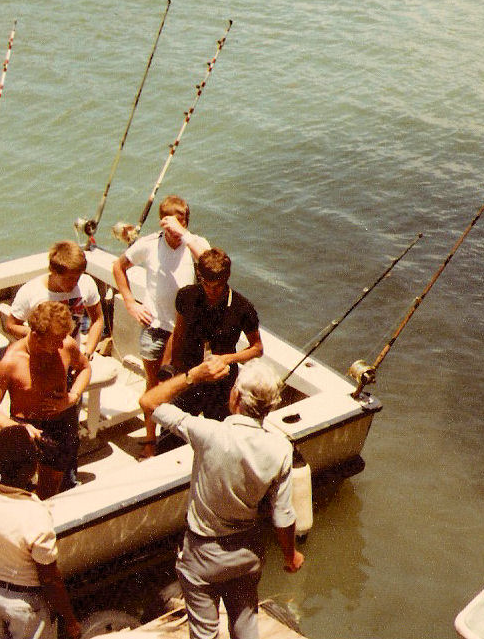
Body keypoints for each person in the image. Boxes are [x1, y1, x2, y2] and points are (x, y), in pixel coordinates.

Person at [139, 358, 304, 639]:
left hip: (202, 555)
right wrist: (290, 555)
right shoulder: (281, 448)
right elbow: (283, 515)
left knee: (204, 633)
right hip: (247, 554)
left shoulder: (208, 433)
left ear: (235, 396)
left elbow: (149, 401)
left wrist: (192, 375)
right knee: (245, 624)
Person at [0, 425, 82, 639]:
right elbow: (50, 579)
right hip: (24, 605)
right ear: (30, 468)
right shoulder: (34, 513)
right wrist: (70, 620)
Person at [112, 195, 209, 456]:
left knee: (182, 385)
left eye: (183, 224)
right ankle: (151, 440)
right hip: (155, 326)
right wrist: (131, 303)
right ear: (162, 224)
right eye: (171, 227)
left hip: (186, 331)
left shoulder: (196, 244)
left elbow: (210, 264)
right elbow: (118, 266)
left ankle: (176, 438)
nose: (175, 233)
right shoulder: (149, 244)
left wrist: (185, 236)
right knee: (154, 385)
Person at [5, 240, 104, 488]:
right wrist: (40, 338)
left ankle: (67, 479)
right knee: (37, 429)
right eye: (70, 278)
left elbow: (98, 319)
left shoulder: (87, 285)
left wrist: (88, 350)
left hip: (71, 361)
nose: (75, 284)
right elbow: (11, 324)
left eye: (78, 277)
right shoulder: (31, 292)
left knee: (68, 430)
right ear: (54, 271)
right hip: (40, 362)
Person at [0, 301, 91, 499]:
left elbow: (85, 368)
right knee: (18, 490)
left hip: (61, 422)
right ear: (36, 336)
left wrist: (73, 397)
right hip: (27, 427)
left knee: (51, 492)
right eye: (57, 339)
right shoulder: (9, 362)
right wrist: (17, 428)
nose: (62, 343)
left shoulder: (67, 345)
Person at [169, 247, 263, 421]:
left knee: (220, 437)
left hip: (222, 385)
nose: (212, 291)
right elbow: (178, 333)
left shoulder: (243, 308)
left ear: (226, 278)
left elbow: (257, 349)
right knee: (172, 431)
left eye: (218, 286)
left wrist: (226, 359)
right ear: (200, 276)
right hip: (189, 376)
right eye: (206, 285)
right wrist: (173, 368)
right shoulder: (185, 295)